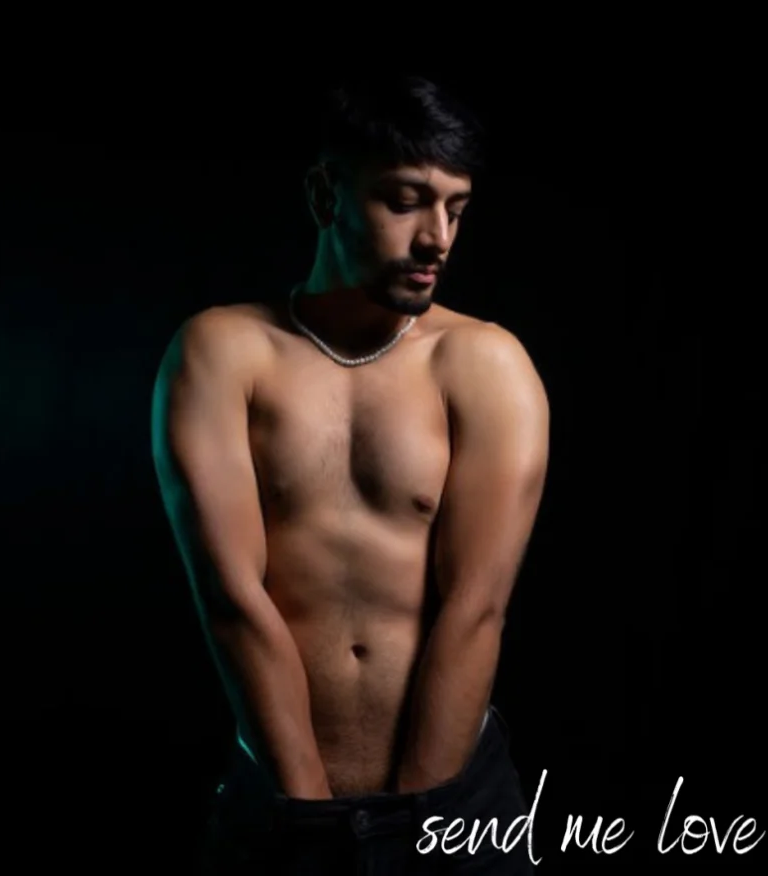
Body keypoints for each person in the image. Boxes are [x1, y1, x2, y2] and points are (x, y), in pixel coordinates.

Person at [151, 74, 549, 874]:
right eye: (405, 201)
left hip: (454, 804)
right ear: (324, 194)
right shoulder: (223, 354)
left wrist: (414, 825)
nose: (437, 238)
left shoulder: (485, 364)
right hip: (277, 801)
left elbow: (476, 607)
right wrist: (307, 815)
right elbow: (231, 596)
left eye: (456, 209)